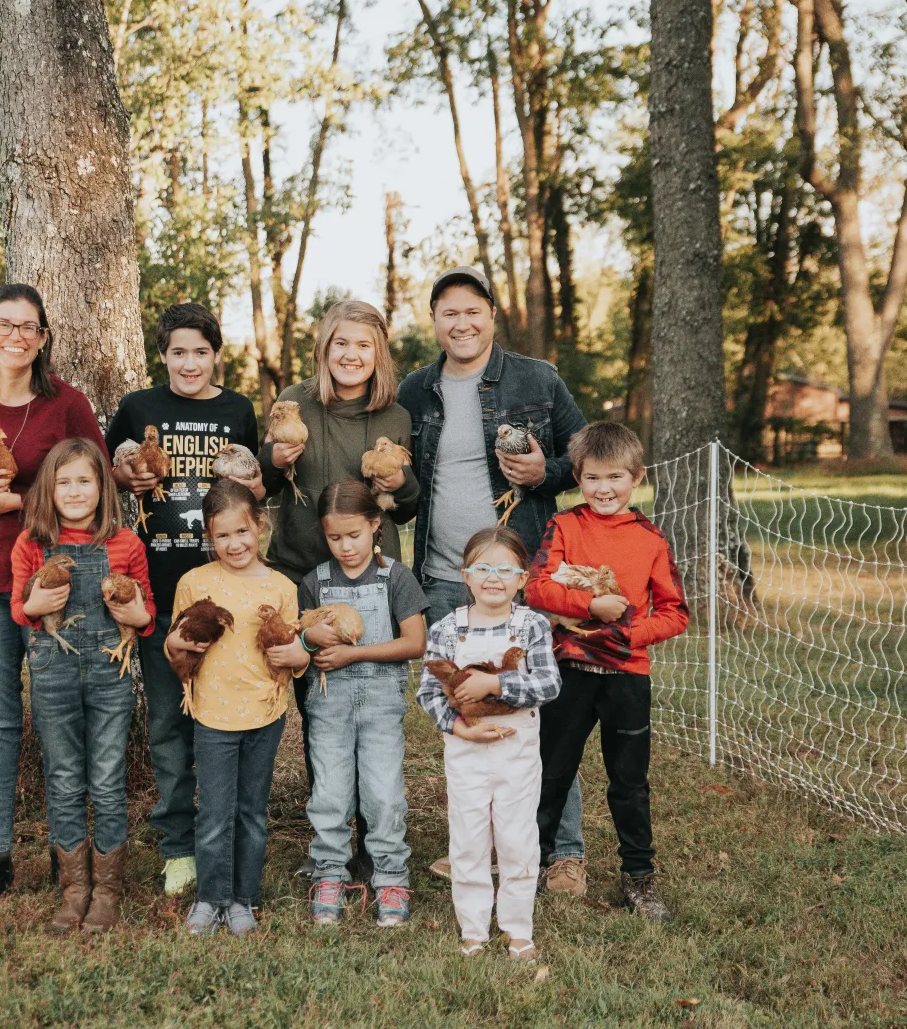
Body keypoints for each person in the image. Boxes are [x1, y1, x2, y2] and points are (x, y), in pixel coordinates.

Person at [396, 265, 589, 891]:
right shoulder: (415, 391)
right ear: (434, 320)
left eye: (472, 310)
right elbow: (403, 488)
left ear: (491, 315)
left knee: (538, 702)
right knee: (466, 702)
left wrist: (545, 472)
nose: (462, 322)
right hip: (447, 579)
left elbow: (586, 453)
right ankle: (480, 843)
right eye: (449, 312)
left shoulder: (536, 377)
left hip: (524, 574)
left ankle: (563, 851)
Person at [0, 284, 106, 899]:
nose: (16, 336)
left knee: (62, 717)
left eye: (30, 327)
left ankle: (69, 852)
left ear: (43, 338)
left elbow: (97, 480)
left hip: (52, 579)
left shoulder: (66, 405)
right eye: (4, 324)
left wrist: (22, 501)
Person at [106, 303, 262, 898]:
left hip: (225, 591)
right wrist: (128, 478)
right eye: (178, 352)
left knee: (225, 718)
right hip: (160, 589)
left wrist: (255, 485)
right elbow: (110, 469)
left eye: (201, 351)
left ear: (215, 354)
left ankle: (228, 833)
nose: (189, 363)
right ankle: (178, 846)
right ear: (162, 354)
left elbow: (253, 489)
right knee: (169, 721)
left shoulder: (237, 410)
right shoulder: (139, 408)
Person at [259, 299, 417, 878]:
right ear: (324, 349)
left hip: (372, 576)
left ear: (378, 354)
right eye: (341, 344)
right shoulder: (294, 402)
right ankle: (336, 840)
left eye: (364, 345)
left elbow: (408, 502)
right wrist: (274, 460)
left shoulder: (394, 416)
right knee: (320, 704)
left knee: (373, 702)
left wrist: (402, 483)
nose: (352, 355)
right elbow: (260, 478)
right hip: (304, 570)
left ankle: (377, 829)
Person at [524, 422, 690, 921]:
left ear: (636, 477)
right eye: (593, 478)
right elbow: (537, 588)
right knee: (550, 773)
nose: (604, 489)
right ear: (577, 477)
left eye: (615, 477)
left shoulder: (650, 539)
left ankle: (639, 878)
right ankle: (530, 866)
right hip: (569, 670)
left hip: (627, 676)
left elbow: (675, 611)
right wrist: (590, 604)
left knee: (629, 781)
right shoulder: (566, 526)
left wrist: (627, 634)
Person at [8, 438, 155, 933]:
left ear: (103, 488)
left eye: (85, 481)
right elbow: (17, 609)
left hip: (111, 675)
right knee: (65, 778)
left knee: (108, 780)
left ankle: (107, 891)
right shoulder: (31, 543)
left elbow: (147, 611)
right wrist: (35, 607)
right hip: (53, 673)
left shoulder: (126, 544)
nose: (74, 491)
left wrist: (140, 616)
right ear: (48, 489)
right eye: (63, 481)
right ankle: (74, 890)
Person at [168, 479, 309, 937]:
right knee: (212, 811)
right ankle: (210, 899)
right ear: (209, 536)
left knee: (250, 810)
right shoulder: (195, 583)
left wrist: (299, 656)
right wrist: (174, 644)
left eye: (242, 531)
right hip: (212, 715)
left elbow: (293, 650)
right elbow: (177, 648)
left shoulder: (283, 586)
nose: (235, 544)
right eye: (222, 535)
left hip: (264, 716)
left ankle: (244, 898)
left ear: (260, 526)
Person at [417, 526, 560, 961]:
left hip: (516, 749)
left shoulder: (532, 625)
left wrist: (494, 682)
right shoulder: (447, 628)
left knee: (517, 838)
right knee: (468, 838)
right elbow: (427, 690)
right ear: (465, 576)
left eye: (504, 568)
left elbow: (548, 683)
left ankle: (518, 929)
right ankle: (474, 929)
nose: (492, 577)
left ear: (522, 578)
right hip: (466, 749)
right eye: (482, 568)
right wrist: (460, 728)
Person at [299, 481, 428, 928]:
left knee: (384, 795)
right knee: (330, 794)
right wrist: (308, 640)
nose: (345, 546)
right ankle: (330, 873)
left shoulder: (395, 576)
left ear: (376, 526)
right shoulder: (315, 581)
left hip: (379, 704)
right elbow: (303, 642)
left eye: (354, 535)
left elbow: (415, 642)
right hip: (329, 704)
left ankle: (391, 876)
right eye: (335, 537)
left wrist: (353, 652)